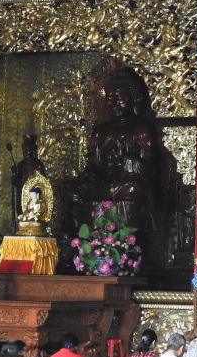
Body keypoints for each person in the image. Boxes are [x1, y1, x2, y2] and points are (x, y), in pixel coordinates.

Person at [59, 67, 157, 234]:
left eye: (118, 99)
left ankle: (127, 240)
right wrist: (90, 175)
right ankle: (80, 238)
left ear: (134, 99)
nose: (113, 104)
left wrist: (125, 160)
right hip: (103, 186)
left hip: (124, 186)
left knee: (133, 188)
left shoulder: (141, 128)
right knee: (67, 188)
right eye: (109, 99)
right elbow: (93, 165)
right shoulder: (101, 131)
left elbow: (148, 169)